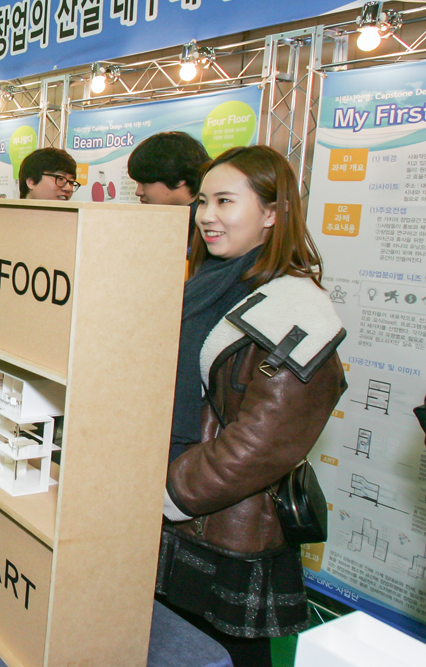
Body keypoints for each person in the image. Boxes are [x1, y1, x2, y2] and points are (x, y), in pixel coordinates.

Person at [157, 145, 345, 667]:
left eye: (225, 201)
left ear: (271, 213)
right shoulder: (209, 284)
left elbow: (261, 443)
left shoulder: (295, 308)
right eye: (202, 201)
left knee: (222, 655)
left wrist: (169, 492)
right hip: (176, 508)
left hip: (224, 522)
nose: (206, 216)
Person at [128, 131, 211, 252]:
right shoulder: (165, 223)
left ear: (178, 179)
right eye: (137, 183)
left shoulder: (207, 227)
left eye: (145, 183)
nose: (138, 191)